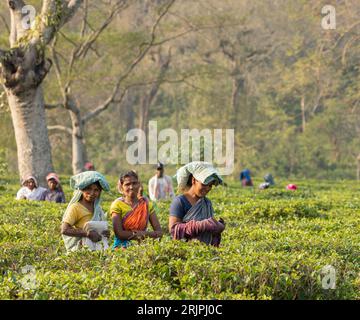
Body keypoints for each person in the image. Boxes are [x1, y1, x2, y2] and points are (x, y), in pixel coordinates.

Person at [169, 161, 225, 247]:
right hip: (186, 251)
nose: (207, 188)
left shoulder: (207, 203)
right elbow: (174, 230)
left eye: (210, 185)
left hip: (205, 254)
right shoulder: (180, 202)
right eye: (204, 184)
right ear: (194, 180)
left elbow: (209, 232)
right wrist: (202, 225)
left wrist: (218, 227)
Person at [110, 170, 163, 250]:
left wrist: (143, 234)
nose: (131, 187)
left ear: (139, 184)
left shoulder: (146, 204)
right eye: (127, 184)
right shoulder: (117, 205)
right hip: (121, 250)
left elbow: (159, 232)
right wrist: (139, 235)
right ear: (122, 186)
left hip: (142, 250)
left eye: (134, 183)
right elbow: (119, 233)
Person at [61, 171, 110, 252]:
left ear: (100, 192)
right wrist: (87, 234)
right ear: (82, 190)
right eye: (88, 189)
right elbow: (64, 230)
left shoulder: (98, 209)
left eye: (96, 190)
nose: (92, 193)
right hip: (81, 251)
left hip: (97, 250)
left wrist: (105, 234)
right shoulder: (76, 207)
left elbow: (99, 228)